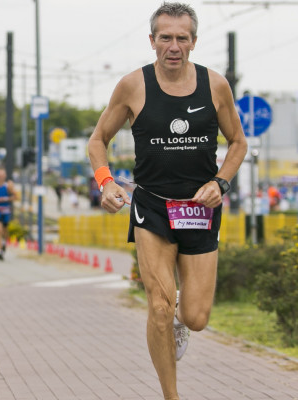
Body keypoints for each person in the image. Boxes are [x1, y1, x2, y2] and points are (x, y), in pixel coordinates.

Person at [87, 3, 247, 399]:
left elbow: (239, 144)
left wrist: (221, 183)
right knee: (159, 308)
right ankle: (171, 395)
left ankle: (178, 323)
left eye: (181, 38)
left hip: (200, 209)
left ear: (193, 42)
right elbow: (97, 141)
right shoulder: (132, 86)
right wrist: (105, 182)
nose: (173, 46)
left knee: (194, 317)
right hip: (153, 207)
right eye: (165, 37)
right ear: (152, 41)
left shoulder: (216, 85)